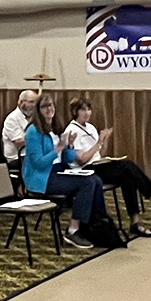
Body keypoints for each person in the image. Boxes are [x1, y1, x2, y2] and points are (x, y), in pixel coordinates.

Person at [62, 97, 151, 238]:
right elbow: (82, 160)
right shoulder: (71, 130)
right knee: (127, 166)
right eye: (83, 110)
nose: (87, 113)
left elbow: (99, 154)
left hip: (98, 164)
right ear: (75, 111)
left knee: (127, 176)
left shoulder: (91, 127)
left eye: (89, 109)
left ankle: (135, 222)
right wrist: (99, 142)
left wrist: (104, 142)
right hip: (86, 171)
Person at [23, 94, 106, 249]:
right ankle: (73, 230)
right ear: (38, 110)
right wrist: (58, 149)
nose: (49, 109)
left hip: (59, 170)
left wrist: (69, 147)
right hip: (42, 177)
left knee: (95, 179)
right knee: (86, 183)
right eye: (45, 106)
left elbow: (67, 158)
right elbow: (38, 163)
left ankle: (94, 225)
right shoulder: (33, 132)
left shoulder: (56, 127)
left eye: (51, 106)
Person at [2, 89, 38, 164]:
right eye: (31, 102)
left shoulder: (35, 117)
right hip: (17, 157)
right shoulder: (12, 119)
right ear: (21, 103)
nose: (34, 105)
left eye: (35, 102)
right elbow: (19, 142)